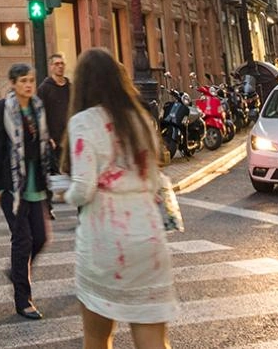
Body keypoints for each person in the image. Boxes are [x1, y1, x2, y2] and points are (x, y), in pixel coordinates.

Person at [66, 49, 177, 349]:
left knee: (98, 338)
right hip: (148, 239)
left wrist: (62, 191)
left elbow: (83, 189)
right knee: (154, 340)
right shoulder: (139, 119)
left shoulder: (84, 122)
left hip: (105, 242)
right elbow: (154, 180)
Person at [0, 62, 55, 320]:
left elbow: (42, 142)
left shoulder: (37, 107)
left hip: (35, 182)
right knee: (23, 240)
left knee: (41, 238)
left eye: (30, 80)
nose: (28, 85)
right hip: (11, 184)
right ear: (13, 84)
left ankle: (16, 272)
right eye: (23, 81)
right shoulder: (2, 108)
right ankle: (23, 300)